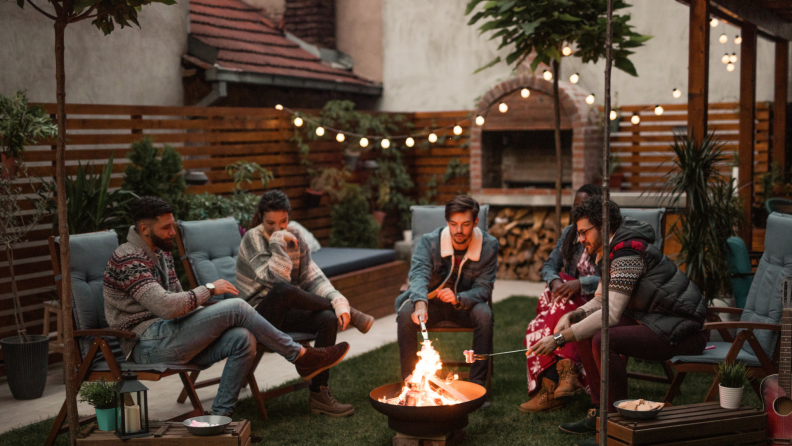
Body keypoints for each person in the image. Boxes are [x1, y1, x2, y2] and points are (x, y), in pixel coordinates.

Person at [104, 197, 350, 418]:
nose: (172, 232)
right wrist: (209, 289)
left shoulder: (161, 252)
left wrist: (209, 318)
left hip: (170, 334)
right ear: (144, 228)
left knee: (242, 338)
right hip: (145, 344)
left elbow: (178, 301)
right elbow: (167, 306)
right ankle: (300, 356)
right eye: (166, 228)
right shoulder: (128, 258)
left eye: (173, 226)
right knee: (237, 307)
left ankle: (220, 419)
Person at [527, 196, 707, 446]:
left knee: (604, 338)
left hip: (682, 329)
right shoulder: (611, 251)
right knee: (587, 331)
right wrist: (572, 316)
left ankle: (615, 431)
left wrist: (559, 339)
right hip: (653, 320)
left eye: (583, 232)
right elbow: (600, 301)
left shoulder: (627, 253)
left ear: (602, 225)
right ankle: (599, 415)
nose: (580, 239)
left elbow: (610, 313)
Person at [236, 190, 374, 417]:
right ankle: (352, 313)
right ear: (260, 218)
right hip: (257, 316)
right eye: (270, 223)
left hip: (287, 311)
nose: (277, 228)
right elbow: (276, 279)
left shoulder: (296, 235)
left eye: (283, 222)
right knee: (284, 290)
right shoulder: (252, 238)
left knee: (328, 319)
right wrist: (278, 241)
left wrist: (337, 299)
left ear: (289, 217)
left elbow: (311, 277)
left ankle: (319, 394)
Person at [395, 195, 498, 393]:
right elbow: (418, 274)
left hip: (464, 307)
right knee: (406, 314)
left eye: (466, 224)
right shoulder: (429, 242)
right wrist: (420, 303)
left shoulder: (489, 246)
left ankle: (477, 386)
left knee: (484, 314)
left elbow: (484, 288)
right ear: (447, 222)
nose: (459, 230)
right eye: (453, 224)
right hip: (431, 305)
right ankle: (411, 384)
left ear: (476, 222)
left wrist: (459, 298)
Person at [519, 184, 602, 413]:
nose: (578, 211)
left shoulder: (607, 237)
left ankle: (550, 389)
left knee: (549, 317)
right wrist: (556, 282)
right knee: (553, 302)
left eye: (584, 207)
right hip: (566, 299)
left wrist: (580, 283)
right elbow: (549, 266)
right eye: (576, 206)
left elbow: (612, 280)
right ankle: (564, 375)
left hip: (595, 302)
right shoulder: (569, 233)